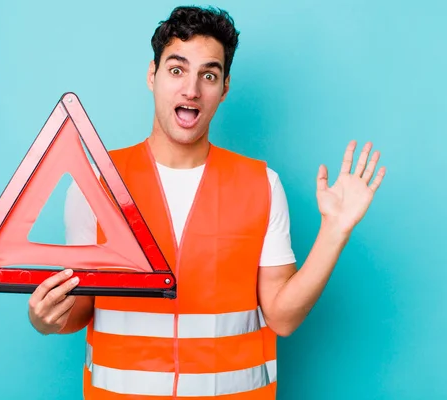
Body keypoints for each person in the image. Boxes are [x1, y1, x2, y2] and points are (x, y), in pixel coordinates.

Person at [28, 5, 386, 399]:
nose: (191, 89)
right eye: (177, 70)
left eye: (209, 75)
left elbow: (282, 318)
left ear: (224, 88)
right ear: (153, 75)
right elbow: (80, 309)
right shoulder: (96, 186)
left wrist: (334, 232)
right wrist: (46, 318)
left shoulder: (260, 185)